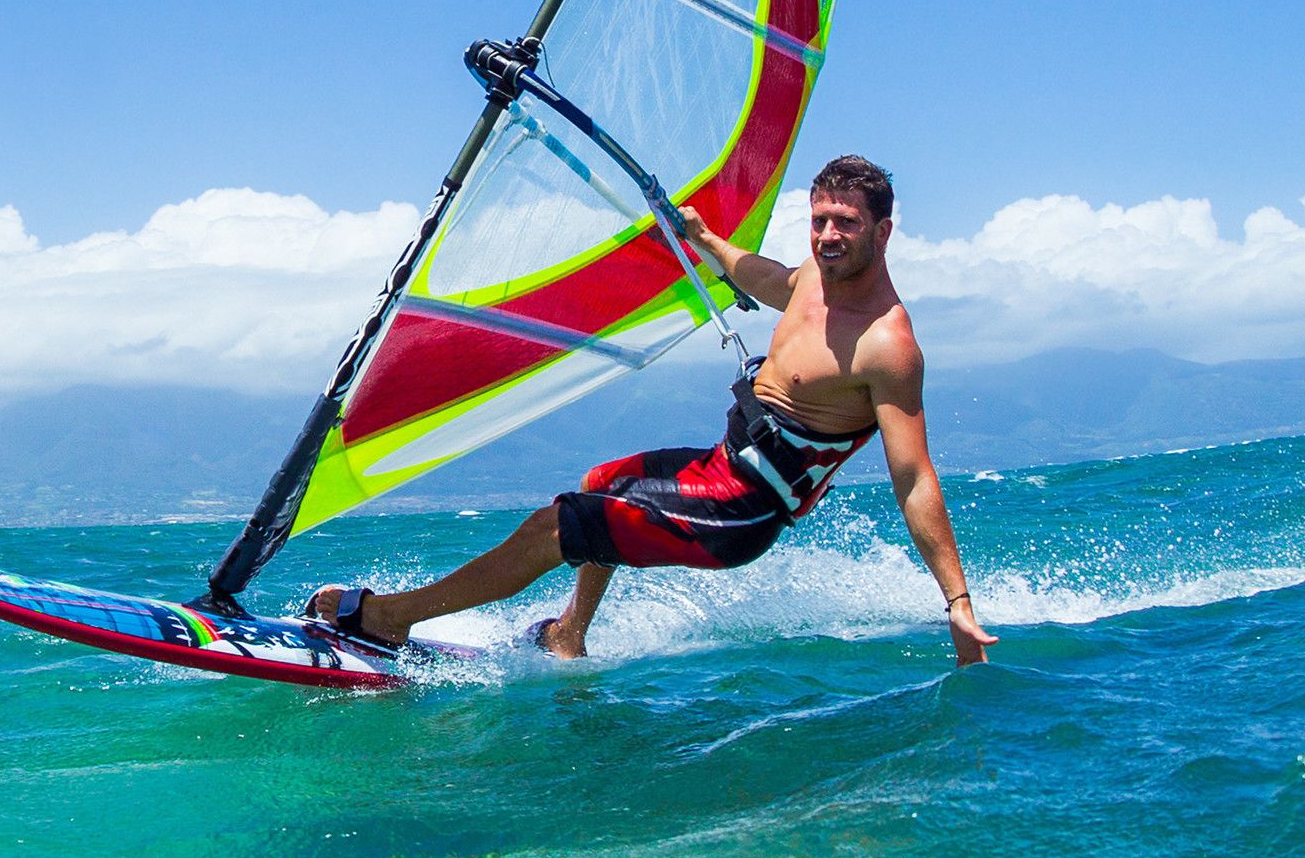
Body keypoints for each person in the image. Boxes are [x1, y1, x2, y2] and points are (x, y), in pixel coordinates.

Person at [306, 153, 991, 665]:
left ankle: (389, 618)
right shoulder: (816, 275)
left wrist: (956, 602)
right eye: (819, 220)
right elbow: (766, 278)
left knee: (561, 527)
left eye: (846, 222)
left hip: (739, 510)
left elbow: (914, 476)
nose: (828, 235)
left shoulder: (887, 343)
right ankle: (569, 634)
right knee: (601, 480)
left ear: (884, 230)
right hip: (719, 466)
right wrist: (704, 241)